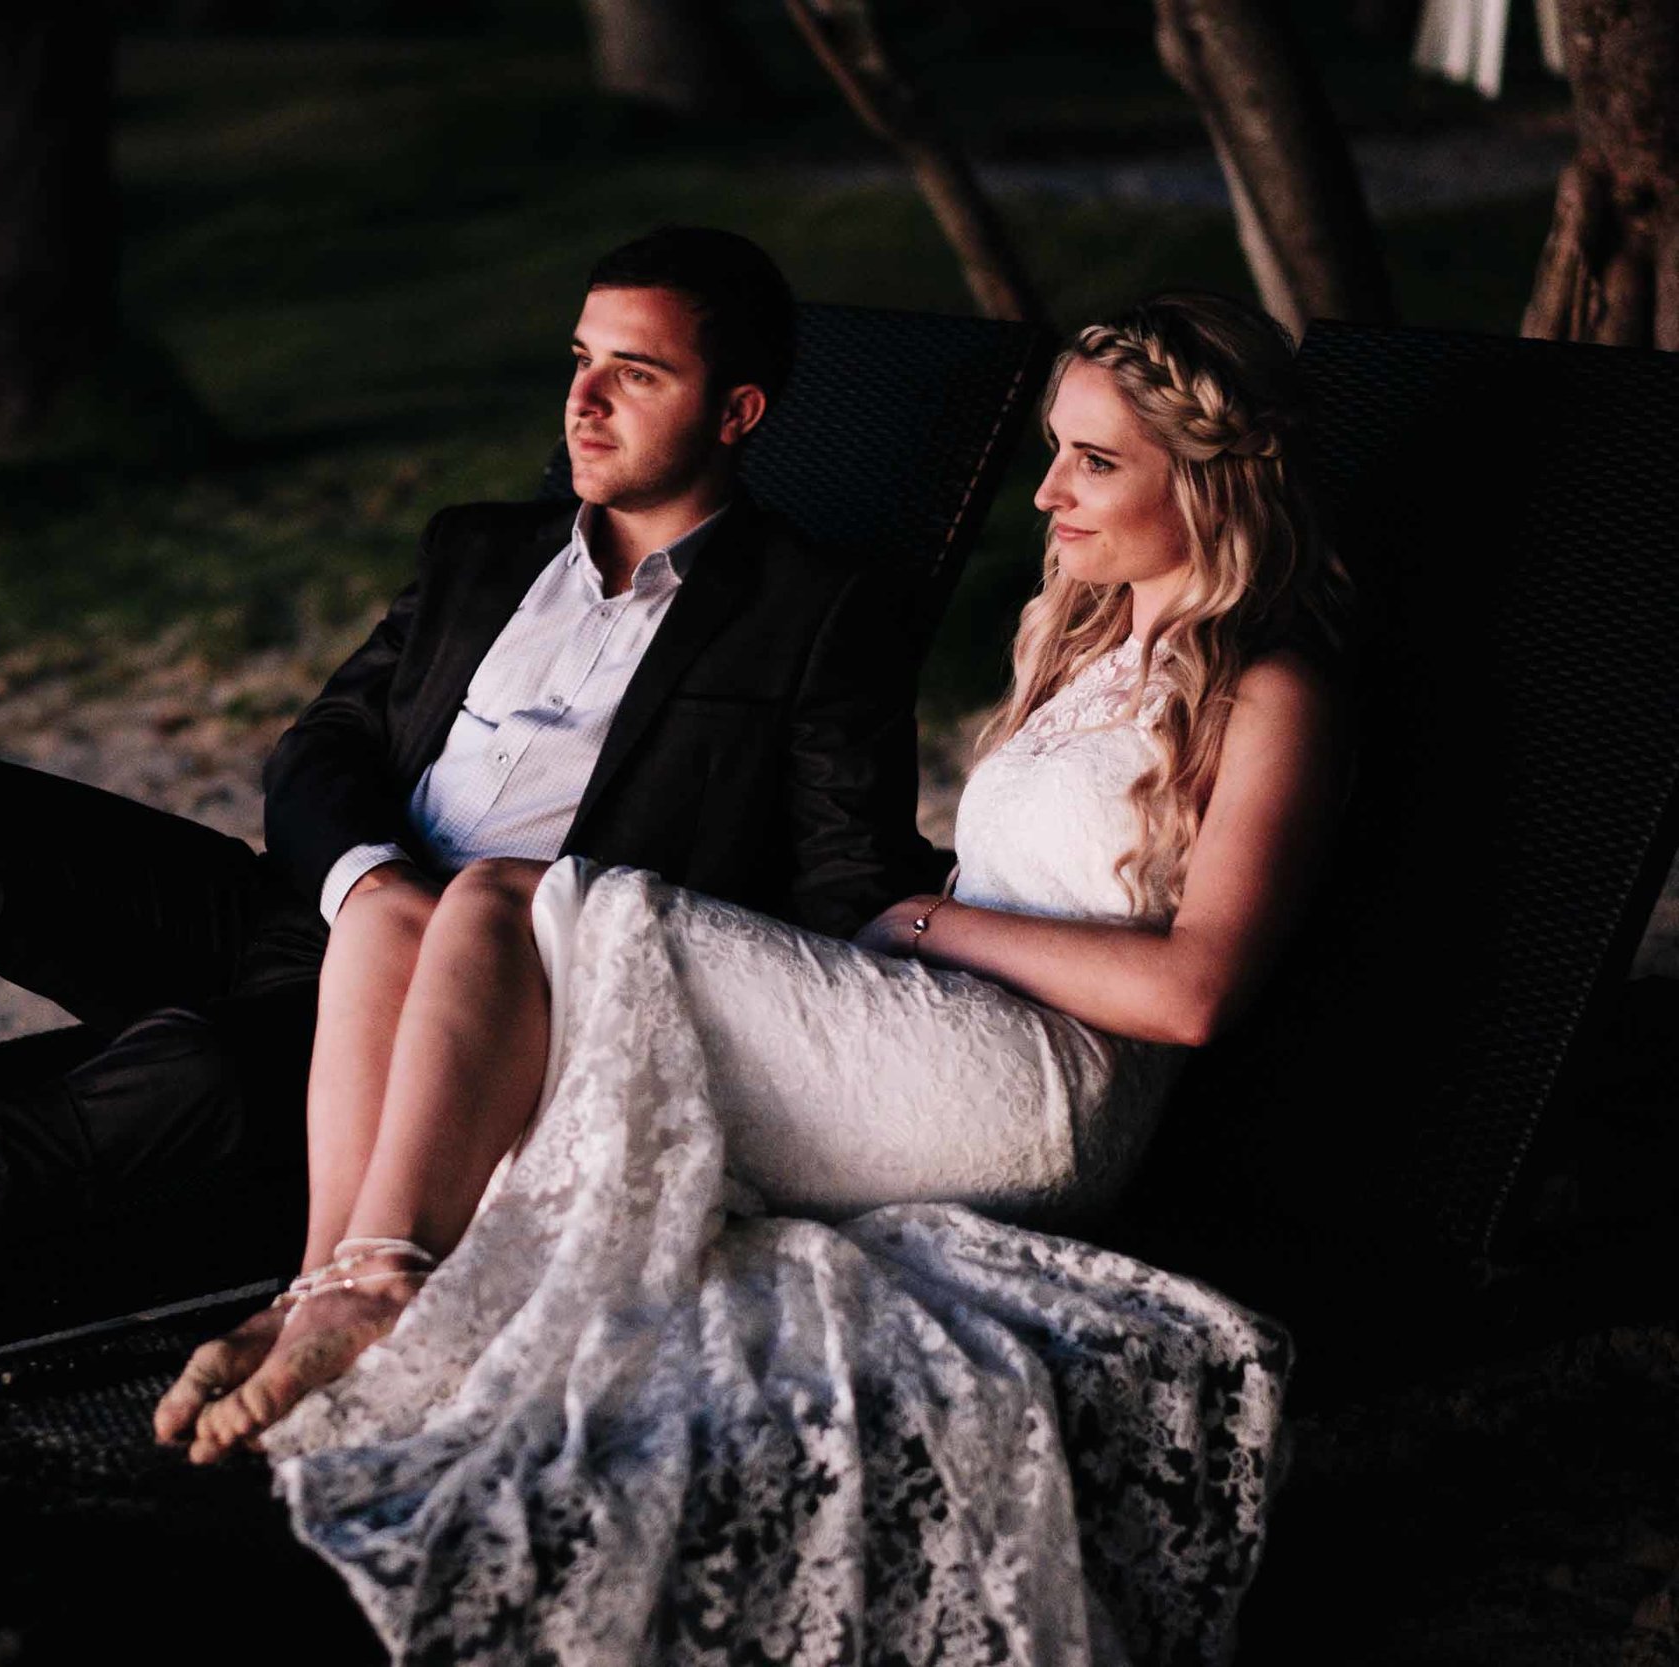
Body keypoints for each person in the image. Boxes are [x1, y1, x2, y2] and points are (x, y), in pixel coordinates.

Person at [0, 227, 940, 1330]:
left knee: (194, 1077)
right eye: (579, 362)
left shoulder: (819, 610)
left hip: (471, 1008)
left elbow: (825, 886)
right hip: (319, 908)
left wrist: (959, 926)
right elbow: (321, 748)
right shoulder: (482, 547)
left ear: (735, 414)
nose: (582, 403)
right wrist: (357, 877)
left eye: (637, 375)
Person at [155, 292, 1347, 1665]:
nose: (1048, 493)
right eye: (1054, 451)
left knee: (511, 899)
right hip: (948, 1029)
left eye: (1095, 462)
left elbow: (1196, 993)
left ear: (1215, 479)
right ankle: (328, 1291)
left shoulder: (1272, 693)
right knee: (413, 927)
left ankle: (377, 1290)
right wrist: (894, 934)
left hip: (1048, 1093)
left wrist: (926, 926)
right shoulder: (1076, 641)